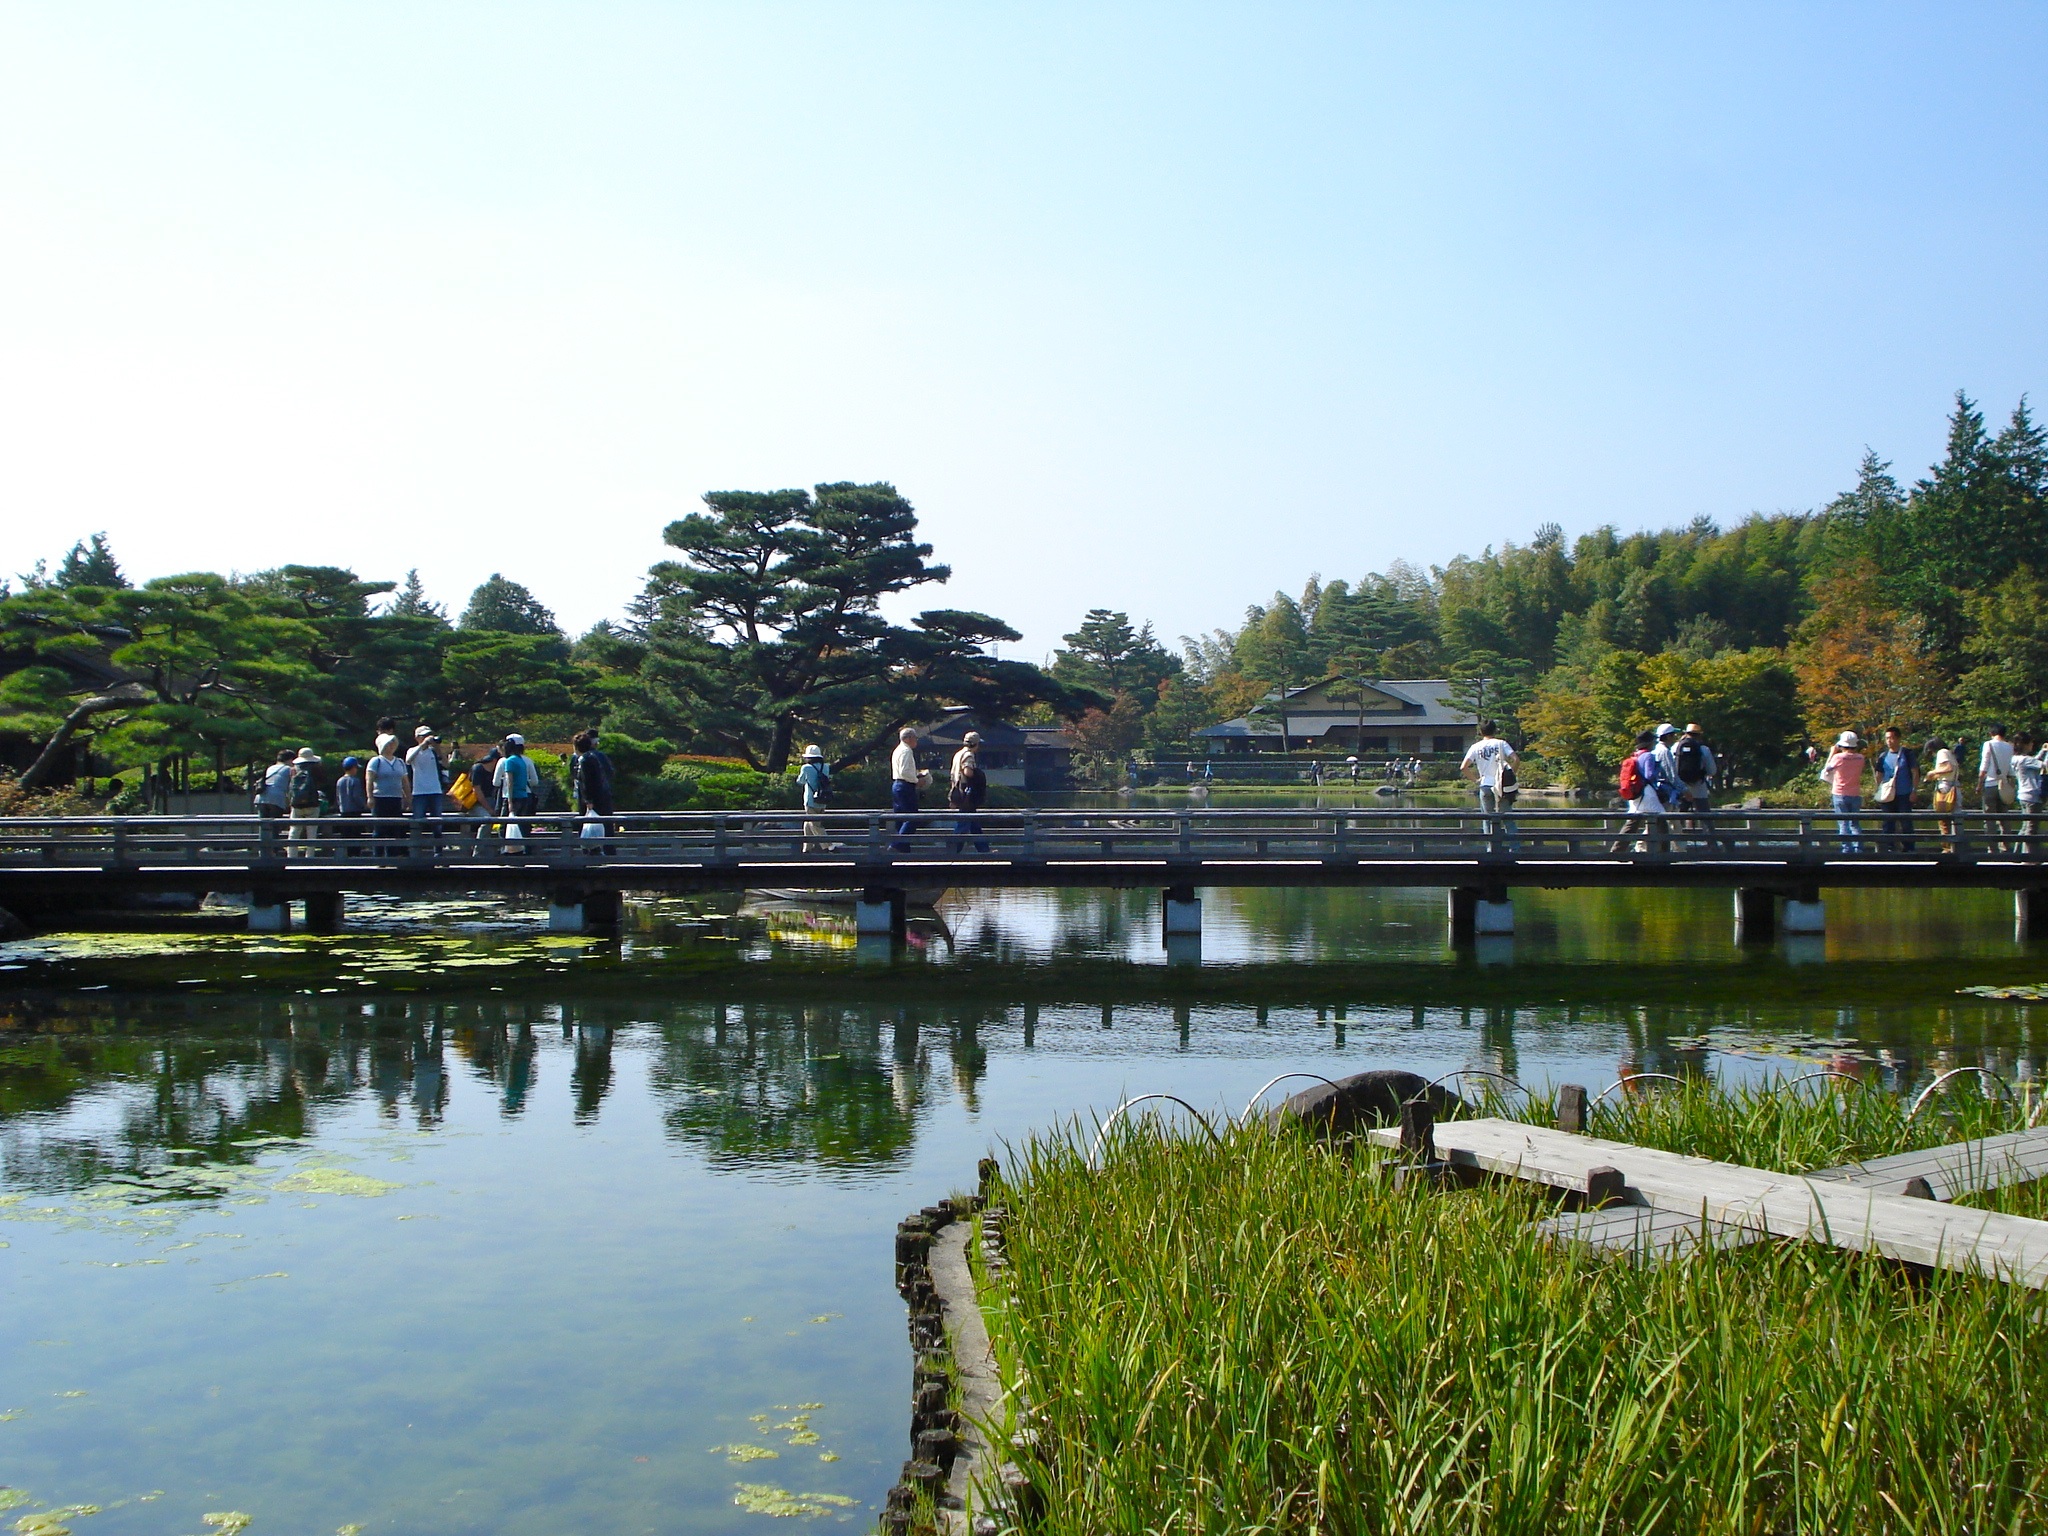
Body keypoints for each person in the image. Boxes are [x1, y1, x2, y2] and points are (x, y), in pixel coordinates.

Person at [1608, 730, 1671, 854]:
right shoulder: (1648, 755)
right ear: (1649, 742)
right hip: (1647, 792)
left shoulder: (1636, 755)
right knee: (1661, 821)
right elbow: (1649, 775)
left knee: (1633, 823)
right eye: (1653, 740)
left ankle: (1616, 852)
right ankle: (1665, 853)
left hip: (1637, 792)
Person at [1458, 720, 1517, 846]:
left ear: (1480, 732)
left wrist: (1476, 780)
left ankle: (1491, 849)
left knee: (1487, 819)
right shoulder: (1501, 743)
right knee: (1507, 819)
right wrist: (1511, 774)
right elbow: (1516, 759)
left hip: (1485, 784)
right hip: (1502, 786)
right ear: (1495, 730)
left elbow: (1463, 767)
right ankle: (1514, 849)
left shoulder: (1476, 747)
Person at [1874, 727, 1917, 854]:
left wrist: (1914, 790)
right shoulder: (1883, 756)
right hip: (1888, 795)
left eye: (1892, 738)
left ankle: (1909, 848)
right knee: (1888, 822)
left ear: (1898, 738)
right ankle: (1889, 847)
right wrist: (1880, 790)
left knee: (1906, 822)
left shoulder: (1907, 754)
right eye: (1887, 738)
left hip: (1904, 793)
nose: (1889, 741)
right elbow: (1879, 774)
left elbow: (1915, 772)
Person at [1822, 730, 1867, 853]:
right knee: (1854, 823)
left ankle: (1846, 849)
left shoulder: (1838, 757)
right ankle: (1859, 848)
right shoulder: (1860, 758)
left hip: (1840, 793)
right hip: (1855, 794)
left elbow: (1827, 770)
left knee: (1843, 823)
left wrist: (1832, 752)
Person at [365, 734, 409, 856]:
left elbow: (405, 781)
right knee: (379, 829)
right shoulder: (376, 761)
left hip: (395, 799)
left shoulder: (400, 762)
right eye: (388, 743)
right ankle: (378, 857)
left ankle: (392, 856)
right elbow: (369, 779)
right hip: (380, 799)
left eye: (393, 743)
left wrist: (408, 799)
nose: (391, 746)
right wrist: (370, 797)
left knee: (394, 829)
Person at [571, 730, 616, 846]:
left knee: (589, 827)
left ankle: (590, 852)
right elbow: (610, 773)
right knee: (606, 827)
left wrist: (588, 800)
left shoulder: (583, 760)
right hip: (604, 796)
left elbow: (585, 781)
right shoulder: (597, 757)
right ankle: (608, 853)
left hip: (591, 800)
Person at [949, 732, 991, 854]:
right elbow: (968, 772)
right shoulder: (968, 755)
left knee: (974, 824)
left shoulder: (958, 754)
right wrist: (977, 774)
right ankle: (952, 851)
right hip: (967, 795)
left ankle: (984, 850)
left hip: (958, 792)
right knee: (963, 824)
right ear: (975, 744)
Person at [406, 725, 446, 851]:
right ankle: (416, 851)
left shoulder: (433, 751)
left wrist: (438, 749)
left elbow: (446, 764)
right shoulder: (413, 750)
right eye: (424, 736)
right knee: (418, 822)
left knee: (437, 823)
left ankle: (438, 852)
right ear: (417, 737)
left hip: (435, 791)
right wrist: (422, 746)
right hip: (419, 791)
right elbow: (408, 760)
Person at [493, 733, 538, 844]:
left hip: (510, 796)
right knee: (524, 827)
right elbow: (535, 781)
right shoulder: (526, 760)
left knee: (505, 826)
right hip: (526, 796)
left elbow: (497, 782)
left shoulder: (506, 761)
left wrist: (509, 801)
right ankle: (525, 850)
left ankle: (506, 850)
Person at [890, 727, 929, 851]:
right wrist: (918, 780)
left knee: (900, 818)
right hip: (905, 786)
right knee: (912, 817)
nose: (916, 740)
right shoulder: (906, 751)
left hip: (897, 785)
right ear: (908, 738)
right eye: (915, 737)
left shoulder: (898, 750)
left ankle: (904, 849)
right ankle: (896, 845)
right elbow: (905, 771)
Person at [1981, 725, 2017, 851]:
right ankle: (2006, 847)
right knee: (2004, 818)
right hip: (2004, 785)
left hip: (1990, 784)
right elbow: (2011, 769)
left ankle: (1992, 848)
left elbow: (1984, 766)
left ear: (1992, 732)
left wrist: (1979, 783)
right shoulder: (2009, 746)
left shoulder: (1989, 744)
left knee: (1989, 818)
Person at [1925, 736, 1961, 853]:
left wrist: (1932, 772)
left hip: (1946, 788)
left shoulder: (1942, 752)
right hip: (1954, 786)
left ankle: (1947, 848)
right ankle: (1956, 847)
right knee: (1955, 819)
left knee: (1943, 820)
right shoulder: (1950, 753)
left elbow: (1948, 768)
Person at [286, 747, 323, 857]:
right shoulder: (315, 769)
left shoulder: (293, 769)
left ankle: (291, 856)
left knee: (294, 831)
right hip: (312, 803)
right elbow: (322, 783)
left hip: (296, 804)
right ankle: (310, 856)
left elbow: (290, 787)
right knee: (311, 832)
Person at [2015, 734, 2048, 857]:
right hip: (2032, 795)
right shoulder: (2025, 760)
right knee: (2031, 829)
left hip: (2023, 794)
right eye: (2031, 744)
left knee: (2025, 827)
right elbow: (2044, 766)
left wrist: (2043, 751)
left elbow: (2035, 761)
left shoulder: (2016, 758)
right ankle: (2028, 857)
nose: (2032, 746)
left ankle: (2017, 854)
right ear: (2026, 744)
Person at [796, 743, 833, 852]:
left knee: (814, 824)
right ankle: (807, 847)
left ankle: (828, 846)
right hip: (823, 799)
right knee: (809, 822)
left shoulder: (806, 767)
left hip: (810, 800)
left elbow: (800, 781)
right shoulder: (826, 767)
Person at [333, 755, 368, 854]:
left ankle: (346, 854)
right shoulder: (355, 781)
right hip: (355, 811)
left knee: (346, 834)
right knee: (355, 834)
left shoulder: (340, 781)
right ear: (353, 768)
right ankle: (355, 854)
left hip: (343, 811)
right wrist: (363, 805)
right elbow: (356, 796)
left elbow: (338, 797)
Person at [255, 747, 294, 822]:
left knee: (263, 826)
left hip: (261, 797)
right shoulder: (289, 769)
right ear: (290, 760)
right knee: (275, 827)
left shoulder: (270, 768)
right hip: (276, 799)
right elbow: (291, 787)